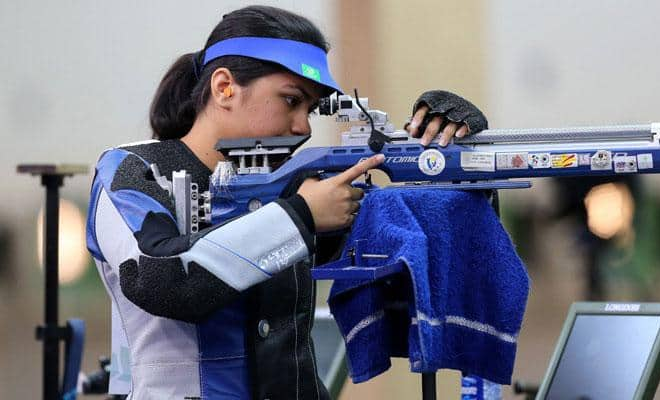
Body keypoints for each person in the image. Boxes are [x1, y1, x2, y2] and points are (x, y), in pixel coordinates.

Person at [86, 5, 487, 400]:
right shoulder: (133, 172)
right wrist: (301, 215)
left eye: (310, 109)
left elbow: (421, 248)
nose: (304, 126)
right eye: (291, 101)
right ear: (224, 87)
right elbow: (163, 280)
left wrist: (451, 158)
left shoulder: (295, 186)